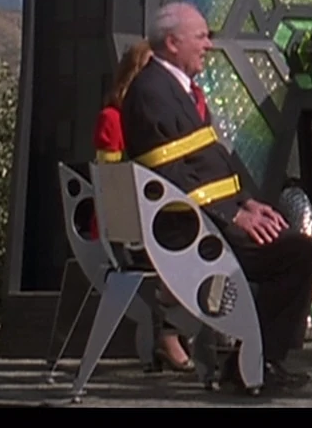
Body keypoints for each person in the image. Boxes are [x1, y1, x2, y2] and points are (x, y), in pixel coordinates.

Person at [121, 1, 312, 393]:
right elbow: (171, 176)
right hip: (188, 230)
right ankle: (255, 363)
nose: (208, 45)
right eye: (201, 37)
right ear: (173, 42)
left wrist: (246, 202)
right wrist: (234, 216)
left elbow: (207, 162)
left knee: (296, 249)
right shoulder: (152, 92)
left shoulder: (171, 89)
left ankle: (254, 361)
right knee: (298, 255)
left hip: (204, 220)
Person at [93, 40, 194, 374]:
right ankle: (170, 333)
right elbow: (111, 184)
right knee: (183, 245)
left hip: (161, 213)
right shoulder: (113, 119)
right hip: (128, 223)